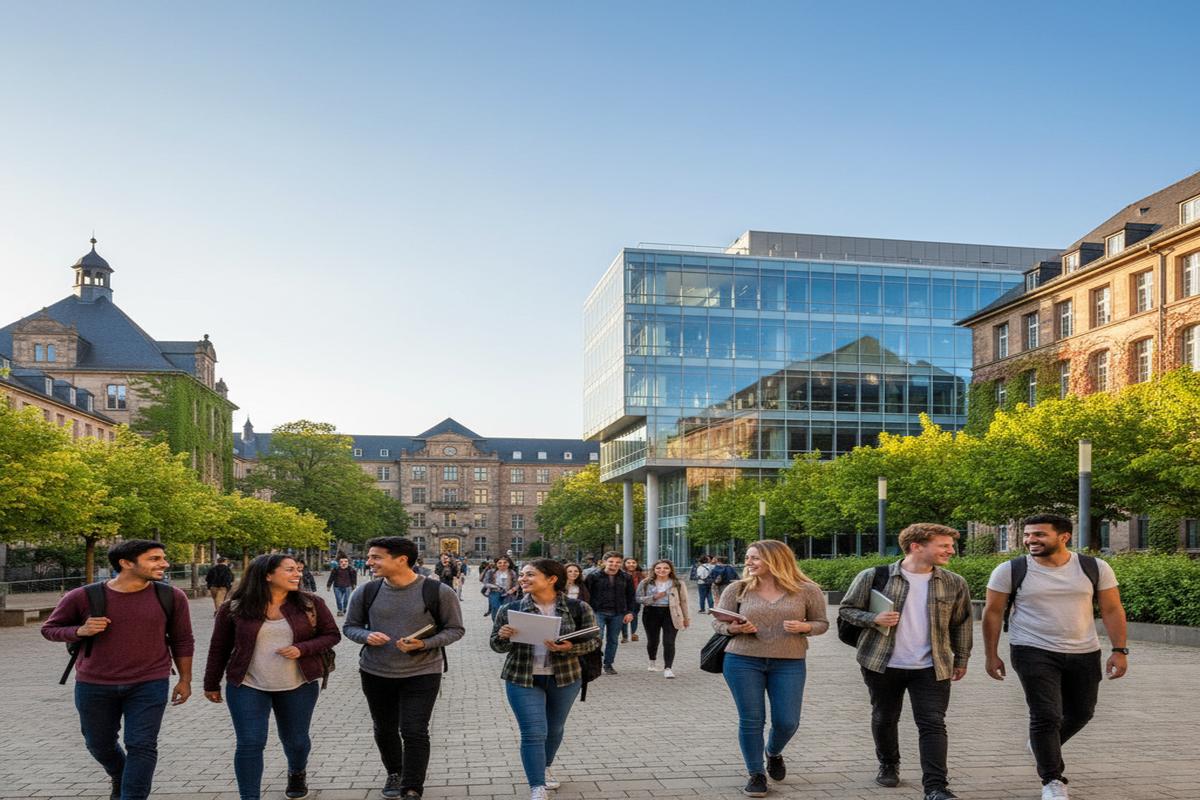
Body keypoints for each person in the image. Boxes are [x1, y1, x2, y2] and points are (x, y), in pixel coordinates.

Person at [982, 514, 1127, 800]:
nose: (1030, 540)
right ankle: (1052, 780)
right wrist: (991, 654)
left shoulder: (1094, 567)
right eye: (1027, 535)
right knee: (1045, 714)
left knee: (1082, 712)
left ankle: (1041, 744)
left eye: (1039, 535)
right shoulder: (1010, 569)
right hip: (1031, 649)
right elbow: (993, 612)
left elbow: (1112, 609)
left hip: (1084, 650)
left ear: (1064, 537)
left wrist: (1119, 650)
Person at [41, 540, 195, 800]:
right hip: (94, 683)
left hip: (150, 681)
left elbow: (182, 639)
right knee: (98, 743)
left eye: (163, 558)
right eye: (154, 559)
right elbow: (49, 629)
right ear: (126, 563)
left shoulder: (171, 596)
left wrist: (185, 680)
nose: (164, 564)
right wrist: (79, 631)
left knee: (142, 744)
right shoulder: (83, 596)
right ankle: (120, 773)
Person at [838, 523, 973, 800]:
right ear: (916, 546)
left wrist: (961, 658)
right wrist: (872, 619)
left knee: (933, 723)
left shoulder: (954, 582)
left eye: (950, 545)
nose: (951, 550)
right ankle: (888, 762)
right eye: (944, 545)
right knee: (885, 716)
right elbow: (846, 609)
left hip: (932, 665)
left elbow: (962, 623)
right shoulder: (874, 576)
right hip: (881, 662)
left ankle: (936, 787)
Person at [204, 554, 341, 800]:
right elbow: (219, 648)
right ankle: (249, 796)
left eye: (298, 569)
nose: (297, 574)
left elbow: (331, 635)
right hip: (247, 684)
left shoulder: (311, 604)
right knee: (250, 742)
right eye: (289, 570)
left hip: (298, 683)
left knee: (296, 741)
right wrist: (210, 683)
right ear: (267, 575)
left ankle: (296, 771)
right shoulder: (234, 607)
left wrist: (302, 649)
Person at [344, 536, 465, 799]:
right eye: (370, 556)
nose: (369, 562)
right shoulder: (366, 591)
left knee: (414, 729)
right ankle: (394, 772)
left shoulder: (438, 592)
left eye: (376, 557)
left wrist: (423, 644)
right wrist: (366, 636)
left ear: (401, 560)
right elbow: (350, 626)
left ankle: (412, 786)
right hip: (376, 672)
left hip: (422, 673)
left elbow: (455, 630)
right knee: (385, 727)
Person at [712, 539, 828, 798]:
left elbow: (822, 622)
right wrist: (734, 628)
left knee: (787, 721)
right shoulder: (737, 589)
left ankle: (773, 752)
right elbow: (718, 624)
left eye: (755, 558)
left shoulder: (807, 590)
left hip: (789, 661)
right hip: (742, 660)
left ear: (776, 559)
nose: (748, 563)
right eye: (747, 558)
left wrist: (805, 627)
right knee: (752, 720)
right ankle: (756, 774)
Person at [491, 558, 600, 800]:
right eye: (522, 574)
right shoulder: (511, 609)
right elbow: (496, 646)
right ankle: (537, 786)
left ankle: (545, 765)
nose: (523, 579)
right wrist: (503, 635)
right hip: (522, 677)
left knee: (554, 728)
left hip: (565, 677)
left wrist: (568, 648)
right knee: (533, 732)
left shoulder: (579, 607)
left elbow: (593, 641)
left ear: (551, 579)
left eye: (530, 575)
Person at [583, 551, 636, 675]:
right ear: (604, 562)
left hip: (618, 613)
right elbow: (586, 595)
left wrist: (630, 612)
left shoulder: (626, 577)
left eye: (618, 562)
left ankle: (608, 664)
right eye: (611, 561)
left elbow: (631, 596)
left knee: (613, 640)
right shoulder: (593, 576)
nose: (614, 564)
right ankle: (594, 664)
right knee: (597, 639)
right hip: (598, 612)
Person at [635, 559, 690, 678]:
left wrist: (686, 618)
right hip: (651, 612)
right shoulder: (645, 582)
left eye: (665, 568)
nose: (662, 570)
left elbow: (684, 601)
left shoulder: (677, 583)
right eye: (658, 568)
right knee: (653, 640)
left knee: (669, 641)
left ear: (670, 570)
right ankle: (652, 661)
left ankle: (668, 668)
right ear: (654, 570)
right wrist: (654, 597)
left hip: (671, 612)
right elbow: (638, 598)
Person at [482, 556, 521, 621]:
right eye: (499, 563)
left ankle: (504, 624)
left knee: (506, 609)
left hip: (508, 593)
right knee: (496, 608)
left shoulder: (512, 572)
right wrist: (495, 586)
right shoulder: (491, 572)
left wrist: (512, 590)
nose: (502, 564)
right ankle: (496, 624)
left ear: (508, 564)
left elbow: (517, 584)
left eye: (505, 562)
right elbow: (485, 582)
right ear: (496, 564)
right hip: (494, 592)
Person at [621, 557, 644, 642]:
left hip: (636, 598)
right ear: (624, 564)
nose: (631, 564)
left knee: (634, 615)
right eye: (629, 563)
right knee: (623, 616)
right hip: (623, 598)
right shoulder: (621, 574)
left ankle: (633, 633)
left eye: (633, 563)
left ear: (636, 564)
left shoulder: (640, 574)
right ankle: (625, 636)